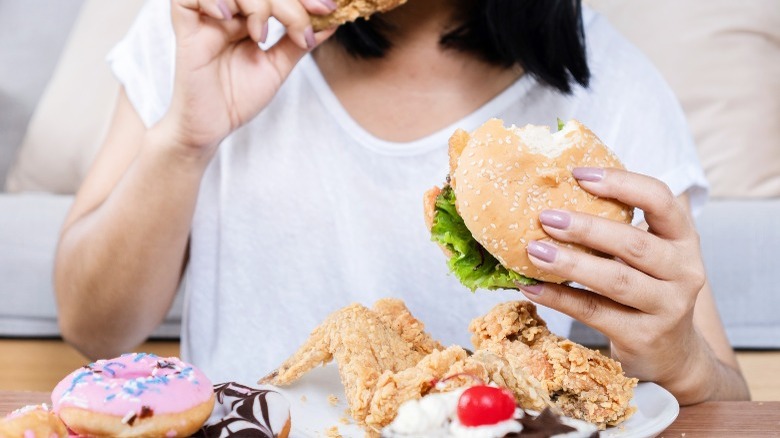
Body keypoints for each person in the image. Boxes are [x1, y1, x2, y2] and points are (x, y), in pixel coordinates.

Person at [54, 0, 749, 404]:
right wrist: (184, 139)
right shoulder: (203, 27)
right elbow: (95, 328)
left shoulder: (614, 86)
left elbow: (724, 397)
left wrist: (681, 359)